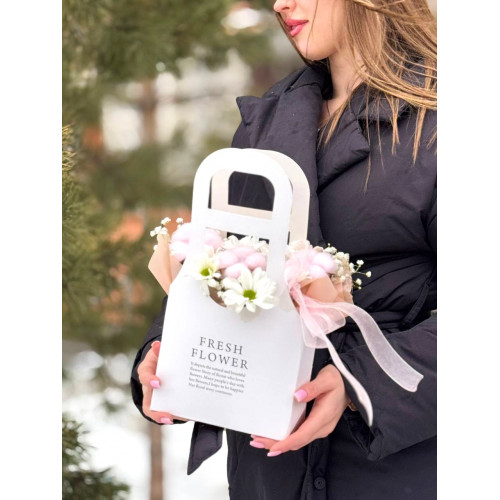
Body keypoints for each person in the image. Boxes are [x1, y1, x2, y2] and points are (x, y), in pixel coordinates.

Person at [130, 0, 437, 498]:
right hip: (267, 471)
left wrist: (359, 385)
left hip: (391, 469)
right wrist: (167, 350)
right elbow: (229, 260)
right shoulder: (268, 120)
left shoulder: (440, 123)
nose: (279, 4)